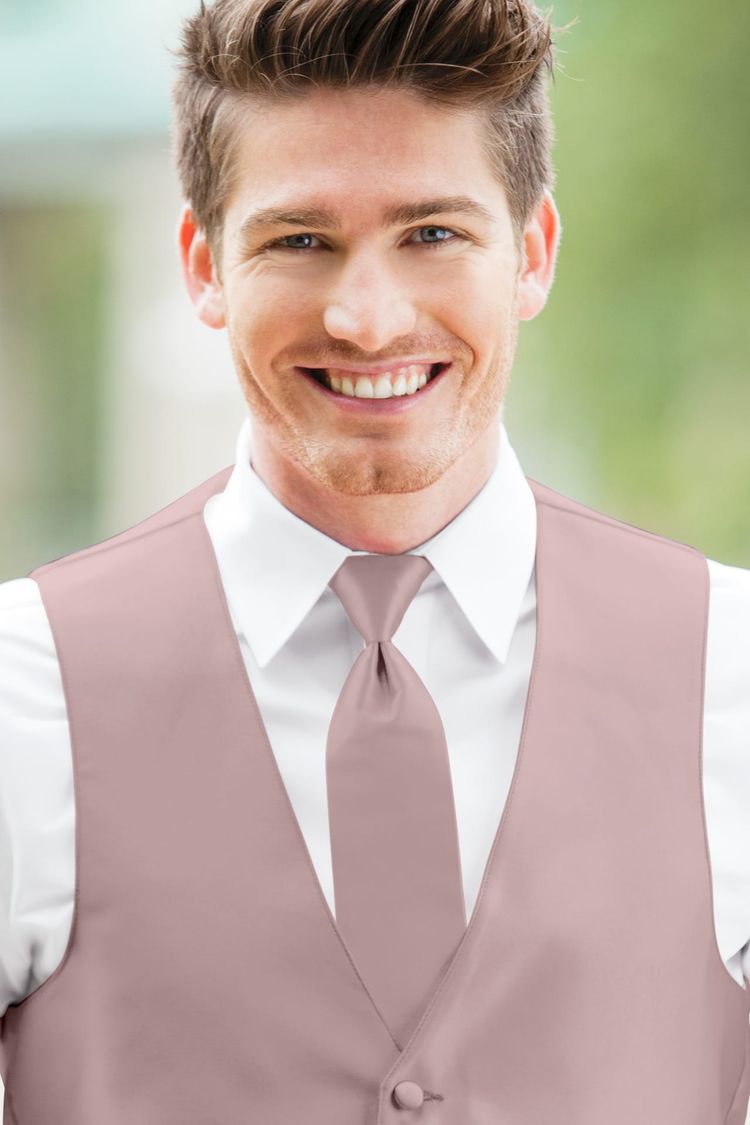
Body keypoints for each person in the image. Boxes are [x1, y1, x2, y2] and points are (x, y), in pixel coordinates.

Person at [0, 0, 749, 1121]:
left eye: (433, 233)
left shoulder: (731, 670)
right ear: (204, 264)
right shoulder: (23, 691)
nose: (366, 318)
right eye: (300, 240)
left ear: (533, 253)